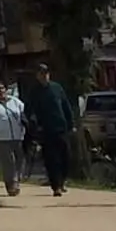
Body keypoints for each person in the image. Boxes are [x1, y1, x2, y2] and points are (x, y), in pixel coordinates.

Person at [25, 66, 76, 195]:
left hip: (61, 127)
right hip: (46, 130)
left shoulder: (57, 88)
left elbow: (65, 106)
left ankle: (62, 181)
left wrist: (71, 123)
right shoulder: (34, 91)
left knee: (66, 156)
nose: (44, 76)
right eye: (41, 74)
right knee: (51, 159)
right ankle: (56, 186)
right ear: (37, 76)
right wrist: (34, 125)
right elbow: (28, 110)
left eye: (46, 73)